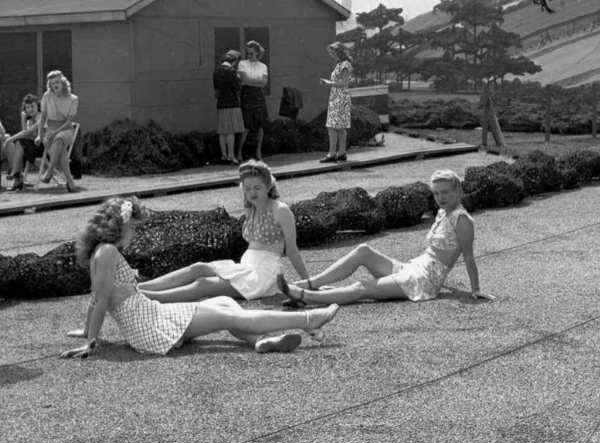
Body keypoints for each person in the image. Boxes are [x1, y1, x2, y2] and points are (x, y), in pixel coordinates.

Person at [61, 196, 340, 358]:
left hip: (149, 316)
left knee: (225, 303)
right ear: (116, 226)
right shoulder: (108, 251)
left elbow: (96, 295)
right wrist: (91, 341)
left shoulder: (101, 251)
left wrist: (88, 332)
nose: (133, 234)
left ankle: (261, 340)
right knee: (232, 316)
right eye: (132, 228)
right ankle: (308, 320)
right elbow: (99, 299)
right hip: (147, 322)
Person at [278, 169, 495, 306]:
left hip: (424, 281)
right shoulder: (443, 213)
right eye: (436, 193)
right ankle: (310, 284)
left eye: (445, 192)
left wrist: (475, 289)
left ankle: (304, 296)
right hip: (413, 268)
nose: (440, 198)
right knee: (363, 250)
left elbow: (468, 257)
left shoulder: (462, 220)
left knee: (362, 288)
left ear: (458, 191)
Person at [136, 160, 311, 303]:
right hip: (245, 267)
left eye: (257, 188)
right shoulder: (251, 209)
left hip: (261, 276)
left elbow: (292, 250)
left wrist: (310, 282)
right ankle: (140, 288)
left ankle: (146, 297)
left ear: (268, 186)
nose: (252, 193)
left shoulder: (280, 210)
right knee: (199, 268)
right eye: (247, 188)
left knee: (203, 284)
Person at [36, 70, 83, 193]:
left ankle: (49, 171)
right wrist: (39, 135)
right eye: (52, 83)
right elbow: (43, 117)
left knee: (60, 138)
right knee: (60, 148)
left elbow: (68, 122)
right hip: (49, 130)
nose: (54, 85)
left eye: (57, 82)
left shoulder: (73, 99)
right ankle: (70, 183)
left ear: (62, 82)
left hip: (65, 129)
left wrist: (55, 132)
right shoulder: (47, 96)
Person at [320, 41, 354, 163]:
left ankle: (332, 153)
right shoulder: (340, 64)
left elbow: (345, 83)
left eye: (332, 53)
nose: (331, 55)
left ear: (339, 52)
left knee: (332, 126)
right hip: (336, 97)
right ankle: (341, 153)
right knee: (339, 126)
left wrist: (328, 83)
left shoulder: (345, 64)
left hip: (340, 97)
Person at [235, 41, 269, 161]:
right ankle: (239, 152)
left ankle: (258, 151)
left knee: (260, 126)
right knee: (246, 126)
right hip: (247, 95)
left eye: (251, 53)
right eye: (247, 53)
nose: (249, 56)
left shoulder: (263, 66)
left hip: (259, 96)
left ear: (257, 54)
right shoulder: (242, 64)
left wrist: (250, 80)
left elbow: (264, 83)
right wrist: (257, 80)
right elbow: (243, 79)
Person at [4, 93, 44, 189]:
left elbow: (27, 133)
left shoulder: (41, 117)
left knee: (19, 143)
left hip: (44, 148)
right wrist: (23, 117)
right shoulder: (30, 120)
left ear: (38, 106)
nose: (30, 109)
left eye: (33, 107)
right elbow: (25, 132)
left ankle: (15, 174)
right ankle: (16, 177)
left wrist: (9, 139)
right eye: (27, 107)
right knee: (20, 144)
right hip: (34, 148)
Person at [213, 49, 244, 164]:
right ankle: (231, 155)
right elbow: (237, 87)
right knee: (231, 131)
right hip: (232, 103)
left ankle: (224, 155)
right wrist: (239, 77)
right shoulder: (232, 71)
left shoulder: (216, 70)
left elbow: (216, 87)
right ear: (235, 60)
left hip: (221, 103)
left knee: (222, 131)